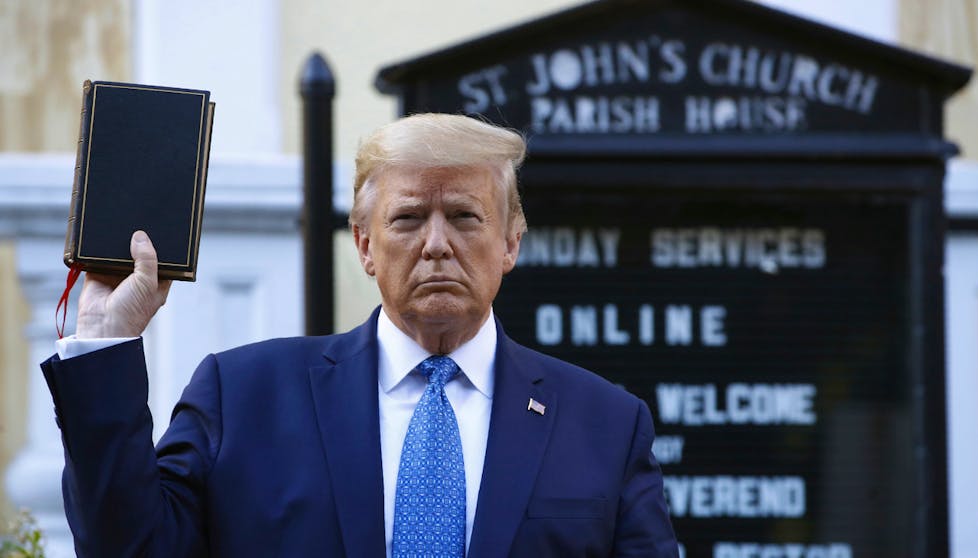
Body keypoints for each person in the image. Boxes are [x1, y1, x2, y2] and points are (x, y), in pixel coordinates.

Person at [42, 113, 679, 557]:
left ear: (510, 242)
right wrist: (106, 342)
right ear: (366, 244)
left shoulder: (604, 424)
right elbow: (127, 547)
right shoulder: (244, 396)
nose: (436, 245)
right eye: (407, 218)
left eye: (463, 216)